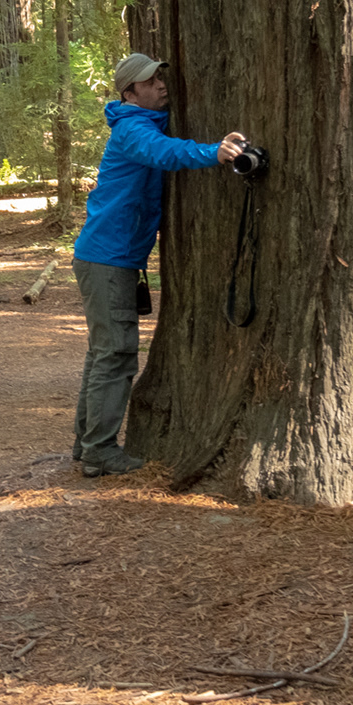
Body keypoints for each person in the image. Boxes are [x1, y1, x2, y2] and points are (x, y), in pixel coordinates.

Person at [70, 53, 244, 477]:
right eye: (150, 82)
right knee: (115, 353)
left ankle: (87, 443)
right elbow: (163, 152)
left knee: (103, 353)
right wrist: (215, 152)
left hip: (110, 256)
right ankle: (98, 451)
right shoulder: (132, 130)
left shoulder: (140, 123)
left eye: (159, 78)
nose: (161, 85)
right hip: (107, 258)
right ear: (130, 92)